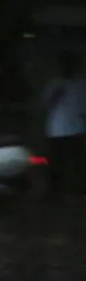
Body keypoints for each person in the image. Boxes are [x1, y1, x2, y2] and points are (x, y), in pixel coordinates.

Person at [43, 50, 86, 195]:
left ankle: (77, 189)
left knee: (77, 161)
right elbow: (46, 105)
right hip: (58, 129)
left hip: (77, 128)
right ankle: (55, 190)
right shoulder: (55, 84)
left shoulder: (81, 82)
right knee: (57, 161)